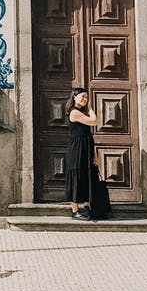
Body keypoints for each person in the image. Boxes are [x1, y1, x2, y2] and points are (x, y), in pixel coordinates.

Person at [64, 86, 98, 220]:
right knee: (76, 175)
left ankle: (84, 206)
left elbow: (88, 133)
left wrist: (94, 153)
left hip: (85, 147)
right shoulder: (74, 112)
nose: (85, 99)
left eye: (86, 97)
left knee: (84, 174)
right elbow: (94, 121)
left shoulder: (79, 111)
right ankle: (75, 211)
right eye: (83, 97)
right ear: (74, 97)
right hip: (77, 148)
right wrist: (90, 108)